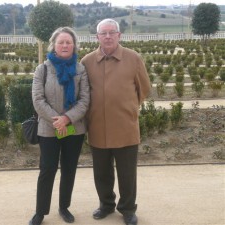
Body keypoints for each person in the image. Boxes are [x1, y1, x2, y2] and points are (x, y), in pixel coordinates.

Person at [81, 19, 151, 225]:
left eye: (112, 32)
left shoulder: (133, 58)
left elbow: (143, 89)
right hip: (97, 127)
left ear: (119, 35)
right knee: (101, 172)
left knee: (127, 173)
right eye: (104, 33)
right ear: (97, 37)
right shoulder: (87, 62)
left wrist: (127, 109)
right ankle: (106, 204)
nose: (108, 36)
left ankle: (128, 209)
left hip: (125, 127)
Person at [29, 27, 90, 225]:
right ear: (53, 45)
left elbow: (84, 100)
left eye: (68, 42)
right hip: (48, 128)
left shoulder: (81, 70)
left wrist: (67, 119)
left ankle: (64, 207)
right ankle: (40, 212)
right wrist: (58, 120)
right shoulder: (43, 69)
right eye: (61, 42)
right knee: (47, 169)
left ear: (74, 45)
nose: (65, 45)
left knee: (69, 169)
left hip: (74, 128)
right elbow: (38, 100)